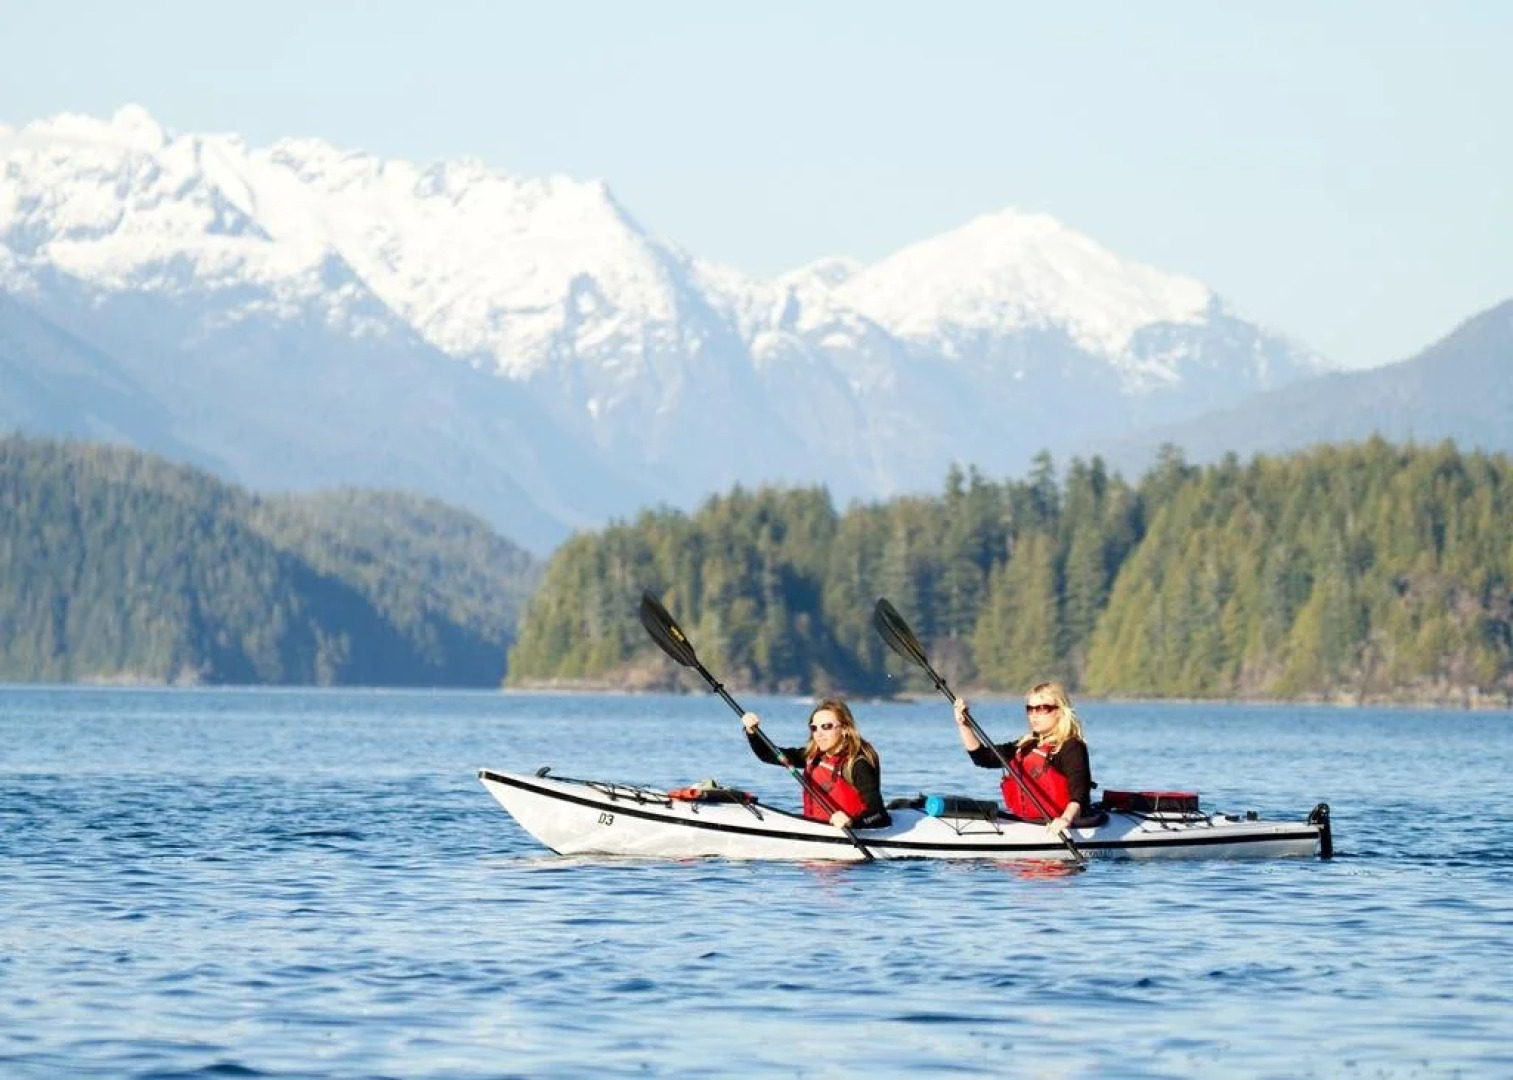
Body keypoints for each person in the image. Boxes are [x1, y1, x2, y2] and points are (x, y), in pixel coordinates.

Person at [953, 681, 1092, 838]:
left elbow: (1080, 793)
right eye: (1030, 709)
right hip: (1027, 822)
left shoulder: (1071, 746)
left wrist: (1066, 818)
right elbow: (983, 758)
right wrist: (964, 725)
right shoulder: (1025, 745)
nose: (1034, 714)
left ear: (1059, 711)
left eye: (1042, 708)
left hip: (1062, 821)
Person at [742, 698, 891, 829]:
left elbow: (879, 814)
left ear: (845, 728)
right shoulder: (812, 756)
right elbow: (767, 755)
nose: (819, 733)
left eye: (826, 727)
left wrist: (853, 822)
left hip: (851, 838)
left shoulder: (857, 764)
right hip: (816, 831)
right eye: (814, 728)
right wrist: (752, 732)